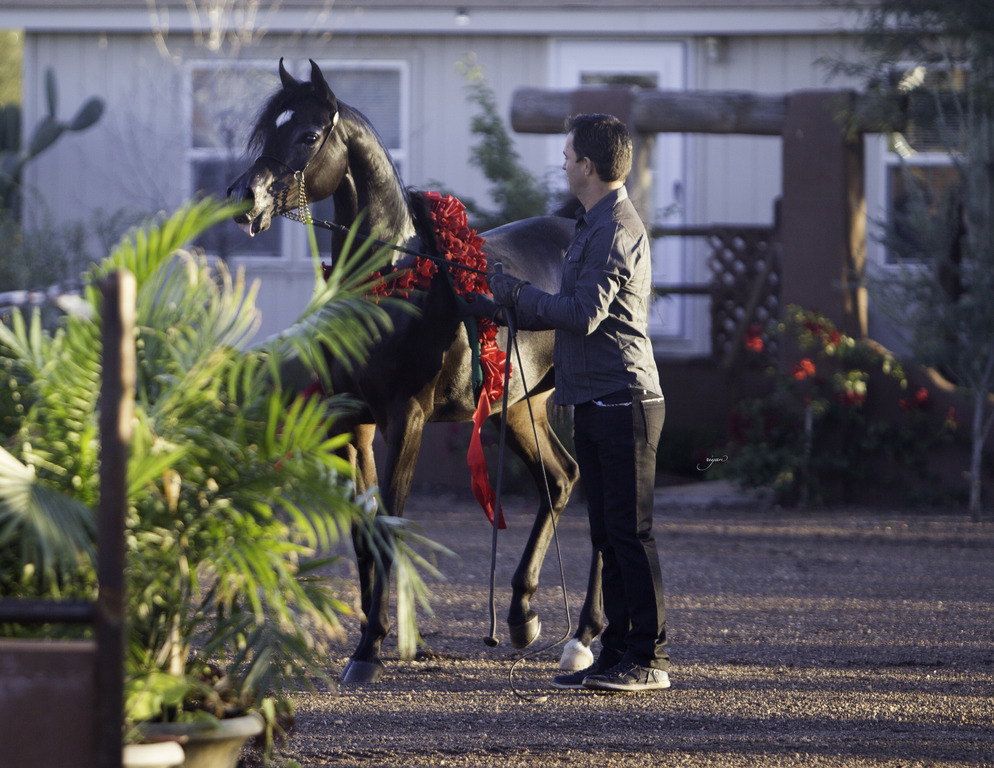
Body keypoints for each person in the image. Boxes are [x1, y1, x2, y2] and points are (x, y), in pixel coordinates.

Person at [481, 113, 670, 692]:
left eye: (567, 156)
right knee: (607, 536)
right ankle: (615, 650)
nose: (563, 163)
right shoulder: (591, 222)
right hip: (592, 398)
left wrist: (517, 294)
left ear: (587, 166)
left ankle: (650, 659)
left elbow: (583, 313)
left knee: (631, 534)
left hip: (627, 400)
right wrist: (498, 302)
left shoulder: (614, 228)